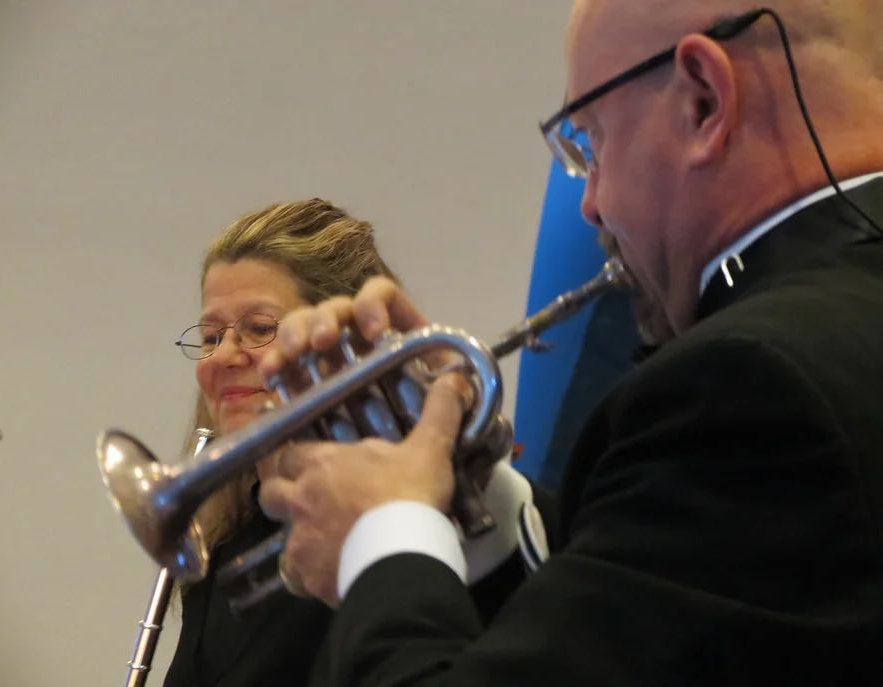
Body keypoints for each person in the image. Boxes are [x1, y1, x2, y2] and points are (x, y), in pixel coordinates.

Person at [255, 1, 883, 685]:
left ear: (703, 99)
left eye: (589, 143)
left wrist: (381, 536)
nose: (589, 204)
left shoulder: (752, 385)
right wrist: (467, 503)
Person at [161, 198, 541, 686]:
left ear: (345, 340)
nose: (223, 357)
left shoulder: (433, 524)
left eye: (259, 329)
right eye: (211, 337)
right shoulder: (220, 546)